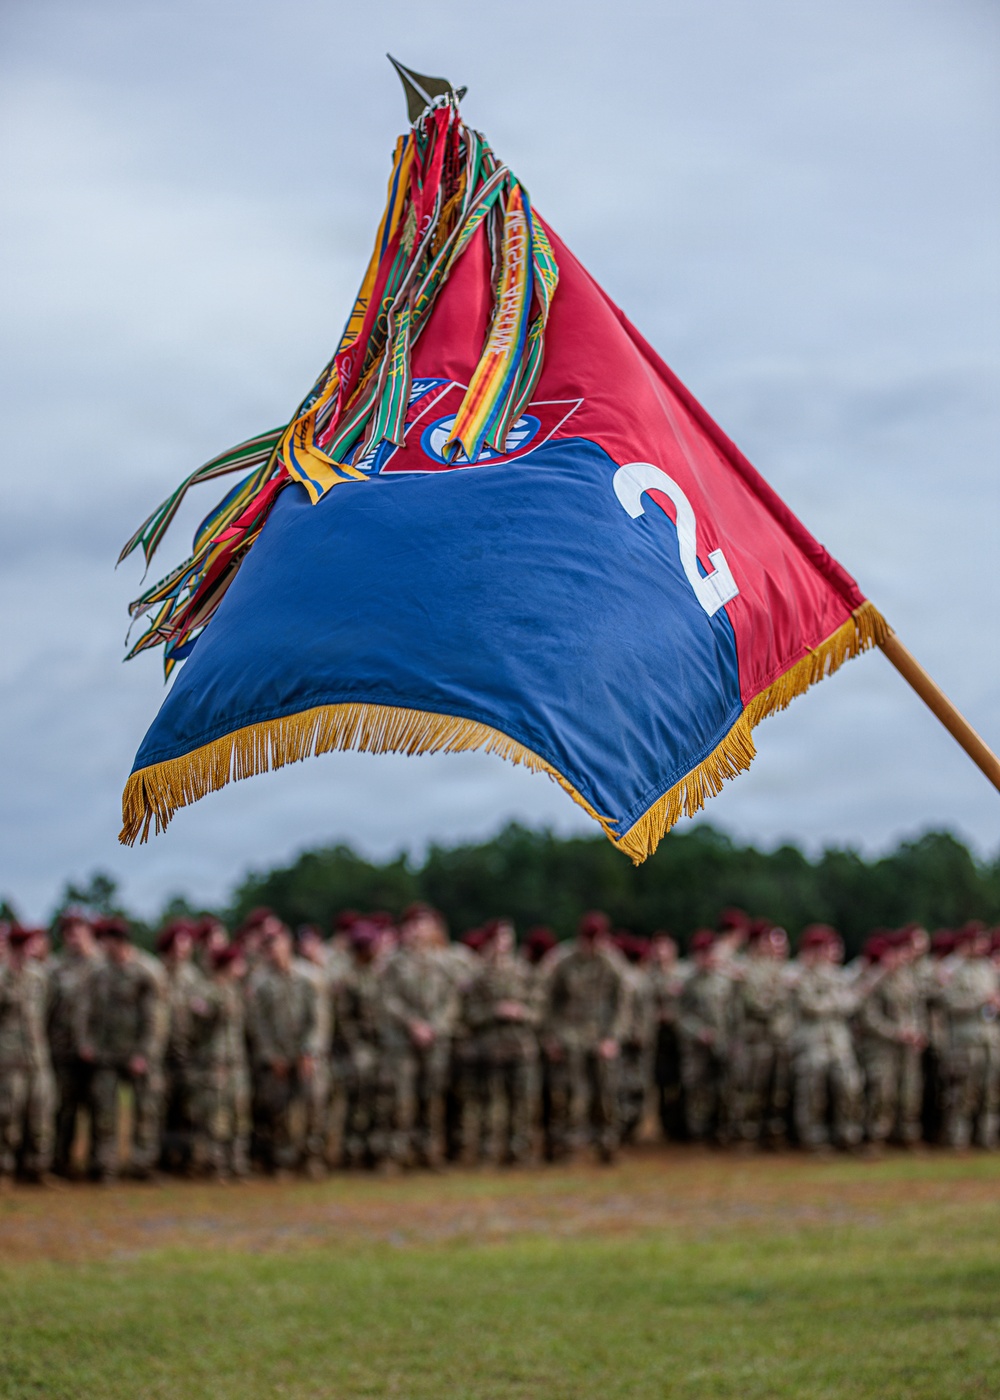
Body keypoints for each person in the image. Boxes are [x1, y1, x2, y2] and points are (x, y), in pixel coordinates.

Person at [79, 917, 165, 1181]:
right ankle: (106, 1166)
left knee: (146, 1112)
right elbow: (85, 1011)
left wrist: (145, 1053)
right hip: (105, 1053)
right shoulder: (98, 972)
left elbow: (155, 1018)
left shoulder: (146, 970)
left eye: (107, 941)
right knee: (105, 1113)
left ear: (119, 942)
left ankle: (142, 1165)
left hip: (136, 1054)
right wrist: (86, 1042)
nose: (102, 946)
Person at [378, 904, 459, 1169]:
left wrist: (434, 1026)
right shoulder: (393, 961)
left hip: (436, 1039)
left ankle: (431, 1152)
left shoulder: (445, 961)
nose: (418, 930)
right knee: (402, 1098)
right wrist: (413, 1025)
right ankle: (398, 1153)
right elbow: (387, 999)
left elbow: (452, 999)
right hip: (403, 1041)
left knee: (433, 1096)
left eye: (424, 923)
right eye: (413, 924)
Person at [543, 911, 627, 1163]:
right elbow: (548, 1003)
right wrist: (551, 1037)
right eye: (588, 938)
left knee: (605, 1095)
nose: (592, 944)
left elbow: (622, 1004)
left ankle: (606, 1145)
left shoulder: (612, 962)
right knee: (567, 1094)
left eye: (597, 938)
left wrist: (613, 1037)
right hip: (569, 1037)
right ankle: (565, 1146)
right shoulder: (563, 960)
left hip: (601, 1037)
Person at [463, 919, 539, 1165]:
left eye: (508, 937)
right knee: (489, 1104)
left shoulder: (524, 971)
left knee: (523, 1102)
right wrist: (493, 1011)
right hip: (490, 1048)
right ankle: (488, 1151)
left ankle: (519, 1152)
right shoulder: (478, 974)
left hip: (520, 1046)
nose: (504, 943)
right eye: (499, 938)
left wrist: (521, 1012)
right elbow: (467, 1013)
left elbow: (540, 1009)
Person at [245, 920, 318, 1175]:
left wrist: (309, 1051)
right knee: (279, 1111)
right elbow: (258, 1024)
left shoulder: (309, 976)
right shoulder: (261, 982)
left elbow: (317, 1019)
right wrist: (272, 1056)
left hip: (305, 1055)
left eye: (278, 943)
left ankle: (311, 1158)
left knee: (312, 1107)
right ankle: (283, 1159)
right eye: (269, 946)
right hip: (276, 1058)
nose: (274, 950)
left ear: (288, 944)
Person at [790, 924, 863, 1153]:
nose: (834, 951)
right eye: (828, 946)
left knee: (850, 1085)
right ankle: (813, 1137)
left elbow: (852, 1003)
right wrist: (835, 1002)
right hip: (812, 1042)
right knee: (813, 1091)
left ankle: (848, 1134)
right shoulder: (802, 976)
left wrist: (831, 1002)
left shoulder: (839, 976)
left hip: (838, 1041)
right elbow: (811, 1006)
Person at [858, 931, 927, 1150]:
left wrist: (918, 1031)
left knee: (909, 1090)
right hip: (882, 1046)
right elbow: (869, 1017)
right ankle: (876, 1136)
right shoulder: (874, 978)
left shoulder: (908, 977)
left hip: (907, 1046)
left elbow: (918, 1008)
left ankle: (907, 1134)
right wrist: (896, 1032)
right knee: (882, 1091)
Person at [187, 943, 251, 1179]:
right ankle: (216, 1163)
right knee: (216, 1116)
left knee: (239, 1114)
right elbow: (198, 1019)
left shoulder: (237, 990)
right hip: (214, 1064)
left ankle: (238, 1162)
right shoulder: (206, 990)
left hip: (236, 1062)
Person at [0, 926, 55, 1185]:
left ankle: (37, 1168)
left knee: (41, 1113)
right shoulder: (2, 977)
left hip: (37, 1058)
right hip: (8, 1059)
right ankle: (5, 1168)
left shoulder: (39, 977)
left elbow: (49, 1013)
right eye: (23, 945)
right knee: (7, 1115)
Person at [47, 911, 100, 1177]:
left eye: (79, 929)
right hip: (63, 1051)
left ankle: (96, 1163)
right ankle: (61, 1161)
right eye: (69, 931)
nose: (75, 936)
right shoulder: (54, 968)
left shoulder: (103, 965)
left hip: (98, 1053)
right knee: (64, 1110)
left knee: (98, 1110)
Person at [731, 922, 793, 1148]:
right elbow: (757, 1004)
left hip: (776, 1038)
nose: (774, 947)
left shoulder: (779, 970)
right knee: (751, 1088)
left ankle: (771, 1131)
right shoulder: (747, 970)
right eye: (769, 941)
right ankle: (746, 1133)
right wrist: (779, 996)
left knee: (776, 1088)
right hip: (754, 1039)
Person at [335, 921, 390, 1169]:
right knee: (357, 1100)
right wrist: (356, 1047)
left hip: (382, 1044)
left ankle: (375, 1150)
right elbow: (344, 1019)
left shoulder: (378, 974)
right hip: (357, 1048)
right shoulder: (348, 978)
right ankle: (352, 1151)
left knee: (380, 1100)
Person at [940, 923, 1000, 1149]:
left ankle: (987, 1137)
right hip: (966, 1040)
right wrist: (980, 1000)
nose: (984, 945)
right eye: (979, 940)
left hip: (989, 1038)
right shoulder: (954, 970)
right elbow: (950, 1002)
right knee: (963, 1091)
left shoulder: (988, 969)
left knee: (990, 1091)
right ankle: (959, 1139)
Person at [157, 919, 207, 1174]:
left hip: (188, 1052)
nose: (185, 947)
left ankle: (185, 1158)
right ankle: (163, 1157)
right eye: (181, 941)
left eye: (188, 941)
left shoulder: (193, 976)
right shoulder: (158, 972)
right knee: (161, 1106)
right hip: (162, 1052)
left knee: (187, 1108)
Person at [677, 931, 732, 1144]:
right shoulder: (688, 983)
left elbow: (733, 1014)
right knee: (696, 1088)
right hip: (696, 1046)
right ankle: (697, 1130)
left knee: (722, 1086)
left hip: (721, 1043)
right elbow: (681, 1015)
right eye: (704, 954)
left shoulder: (724, 982)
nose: (708, 958)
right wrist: (697, 1032)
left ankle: (721, 1129)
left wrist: (731, 1038)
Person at [646, 932, 687, 1141]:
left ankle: (678, 1124)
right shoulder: (648, 976)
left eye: (665, 948)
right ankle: (663, 1123)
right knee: (660, 1083)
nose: (661, 953)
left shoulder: (684, 973)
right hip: (657, 1038)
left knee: (681, 1081)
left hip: (680, 1037)